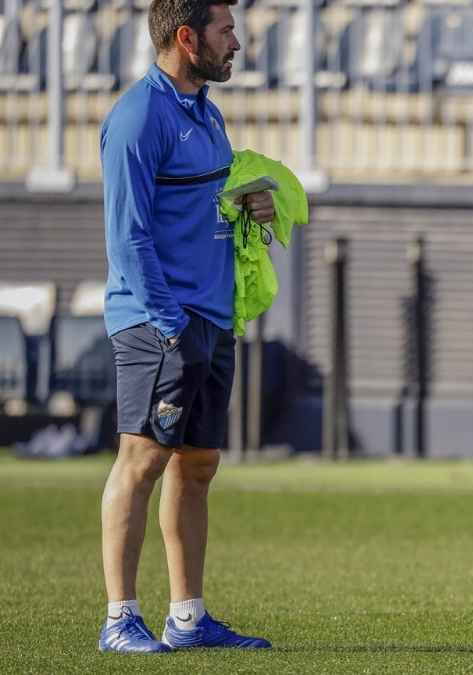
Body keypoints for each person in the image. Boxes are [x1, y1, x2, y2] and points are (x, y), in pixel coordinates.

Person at [98, 0, 274, 653]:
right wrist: (170, 323)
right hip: (156, 319)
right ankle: (119, 618)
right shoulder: (137, 118)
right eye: (226, 31)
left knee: (197, 464)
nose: (237, 42)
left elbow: (205, 204)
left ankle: (189, 617)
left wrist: (246, 201)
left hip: (209, 315)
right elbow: (129, 237)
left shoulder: (207, 111)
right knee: (141, 457)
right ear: (187, 36)